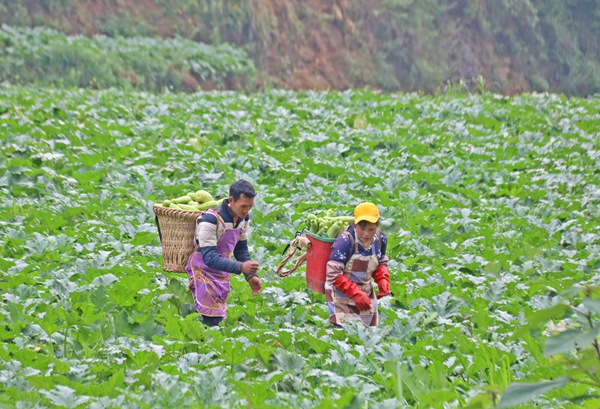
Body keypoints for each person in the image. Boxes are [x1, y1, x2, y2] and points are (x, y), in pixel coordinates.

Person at [186, 179, 262, 327]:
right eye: (243, 206)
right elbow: (209, 257)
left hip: (222, 271)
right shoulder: (210, 219)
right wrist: (241, 267)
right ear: (231, 200)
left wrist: (251, 276)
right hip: (203, 271)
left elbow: (241, 249)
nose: (246, 210)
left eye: (250, 206)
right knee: (211, 320)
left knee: (217, 317)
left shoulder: (243, 218)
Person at [324, 202, 390, 327]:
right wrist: (356, 293)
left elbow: (380, 262)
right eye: (362, 228)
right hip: (340, 295)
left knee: (366, 335)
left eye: (371, 229)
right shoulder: (345, 241)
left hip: (365, 294)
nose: (366, 234)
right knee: (344, 334)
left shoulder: (380, 239)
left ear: (377, 225)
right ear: (355, 224)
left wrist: (382, 278)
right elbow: (333, 274)